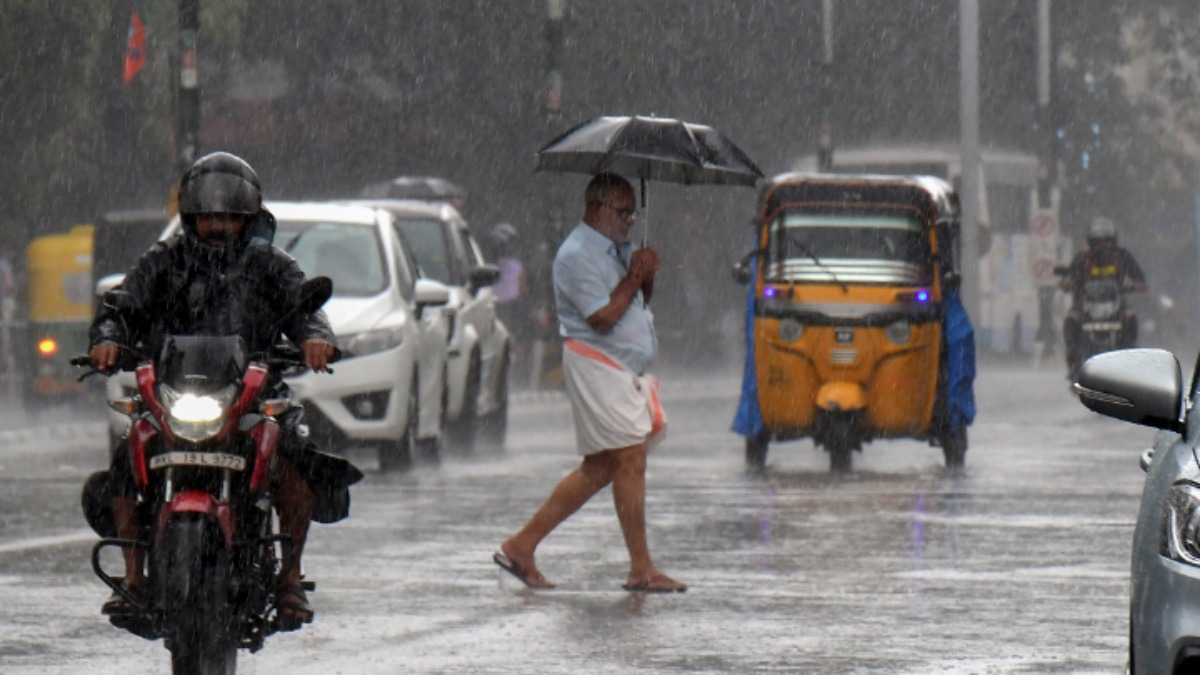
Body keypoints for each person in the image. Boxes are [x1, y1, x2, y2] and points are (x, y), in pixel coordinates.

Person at [88, 151, 351, 629]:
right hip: (174, 397)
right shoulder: (163, 260)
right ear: (191, 217)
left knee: (295, 460)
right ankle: (134, 578)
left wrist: (316, 339)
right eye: (208, 216)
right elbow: (121, 306)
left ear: (247, 219)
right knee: (129, 457)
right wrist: (108, 339)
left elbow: (306, 310)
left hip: (250, 398)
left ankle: (290, 578)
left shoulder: (271, 264)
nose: (217, 226)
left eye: (228, 218)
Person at [493, 173, 686, 593]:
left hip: (619, 369)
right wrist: (634, 277)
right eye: (622, 211)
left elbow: (636, 300)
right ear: (596, 208)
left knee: (602, 467)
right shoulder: (576, 254)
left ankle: (522, 545)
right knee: (631, 459)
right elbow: (602, 316)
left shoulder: (618, 248)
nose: (629, 220)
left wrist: (644, 274)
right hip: (599, 364)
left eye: (633, 212)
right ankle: (641, 568)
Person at [1059, 215, 1146, 375]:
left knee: (1131, 317)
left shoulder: (1122, 256)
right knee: (1071, 321)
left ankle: (1130, 353)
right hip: (1086, 302)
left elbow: (1139, 277)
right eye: (1098, 242)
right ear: (1091, 242)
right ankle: (1073, 364)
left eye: (1106, 241)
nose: (1102, 246)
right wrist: (1068, 282)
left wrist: (1137, 285)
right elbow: (1071, 275)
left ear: (1113, 241)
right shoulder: (1083, 258)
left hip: (1116, 302)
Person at [487, 222, 530, 386]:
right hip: (512, 306)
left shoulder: (489, 265)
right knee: (514, 337)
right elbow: (523, 287)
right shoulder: (517, 266)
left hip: (496, 306)